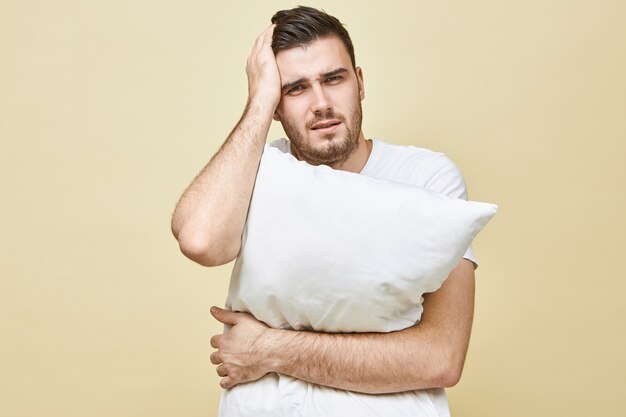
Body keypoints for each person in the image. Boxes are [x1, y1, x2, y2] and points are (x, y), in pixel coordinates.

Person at [171, 6, 477, 416]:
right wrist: (259, 102)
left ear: (360, 83)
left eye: (334, 79)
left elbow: (440, 357)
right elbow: (200, 240)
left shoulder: (426, 177)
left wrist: (271, 350)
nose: (321, 103)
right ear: (278, 104)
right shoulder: (253, 172)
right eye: (295, 88)